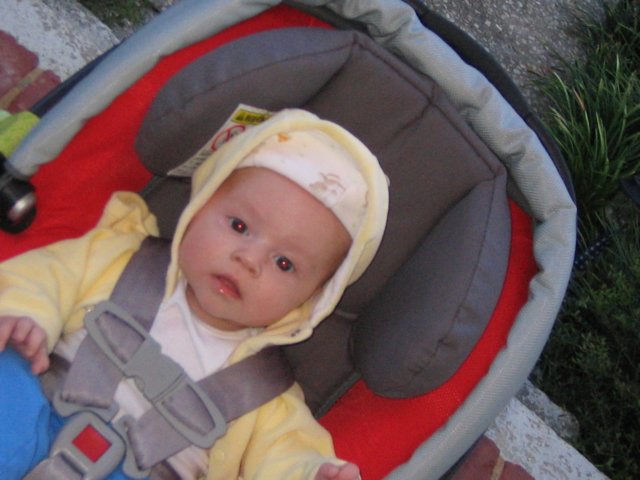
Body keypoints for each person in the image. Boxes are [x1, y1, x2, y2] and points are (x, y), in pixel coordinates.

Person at [0, 109, 389, 480]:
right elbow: (46, 276)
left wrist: (310, 472)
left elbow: (288, 454)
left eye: (284, 263)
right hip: (38, 402)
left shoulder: (267, 395)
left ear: (311, 299)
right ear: (200, 206)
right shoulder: (119, 255)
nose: (249, 260)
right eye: (239, 226)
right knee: (10, 370)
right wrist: (27, 316)